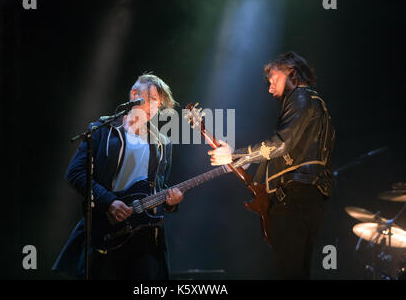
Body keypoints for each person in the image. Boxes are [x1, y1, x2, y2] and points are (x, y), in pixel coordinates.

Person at [208, 51, 335, 279]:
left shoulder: (301, 97)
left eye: (273, 79)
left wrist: (237, 156)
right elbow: (285, 152)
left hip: (292, 199)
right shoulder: (318, 106)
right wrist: (246, 164)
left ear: (292, 74)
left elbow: (280, 145)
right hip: (309, 200)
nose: (269, 88)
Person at [52, 73, 184, 279]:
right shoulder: (102, 131)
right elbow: (75, 173)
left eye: (157, 103)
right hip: (106, 229)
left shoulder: (162, 144)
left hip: (146, 237)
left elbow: (159, 186)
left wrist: (171, 202)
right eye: (149, 99)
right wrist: (109, 201)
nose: (153, 107)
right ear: (133, 95)